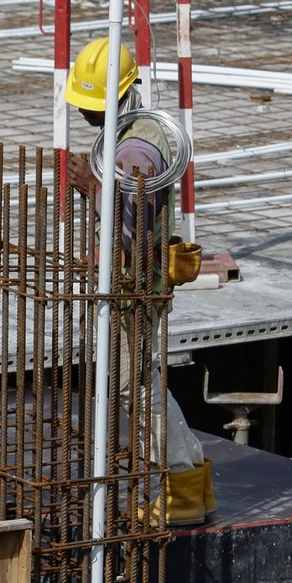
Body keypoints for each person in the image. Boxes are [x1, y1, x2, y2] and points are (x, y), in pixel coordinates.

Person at [64, 37, 215, 526]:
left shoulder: (133, 147)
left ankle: (181, 487)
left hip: (135, 286)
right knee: (147, 380)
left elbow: (133, 230)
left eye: (89, 105)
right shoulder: (133, 130)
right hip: (135, 278)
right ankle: (191, 482)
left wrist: (92, 187)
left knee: (136, 387)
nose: (83, 113)